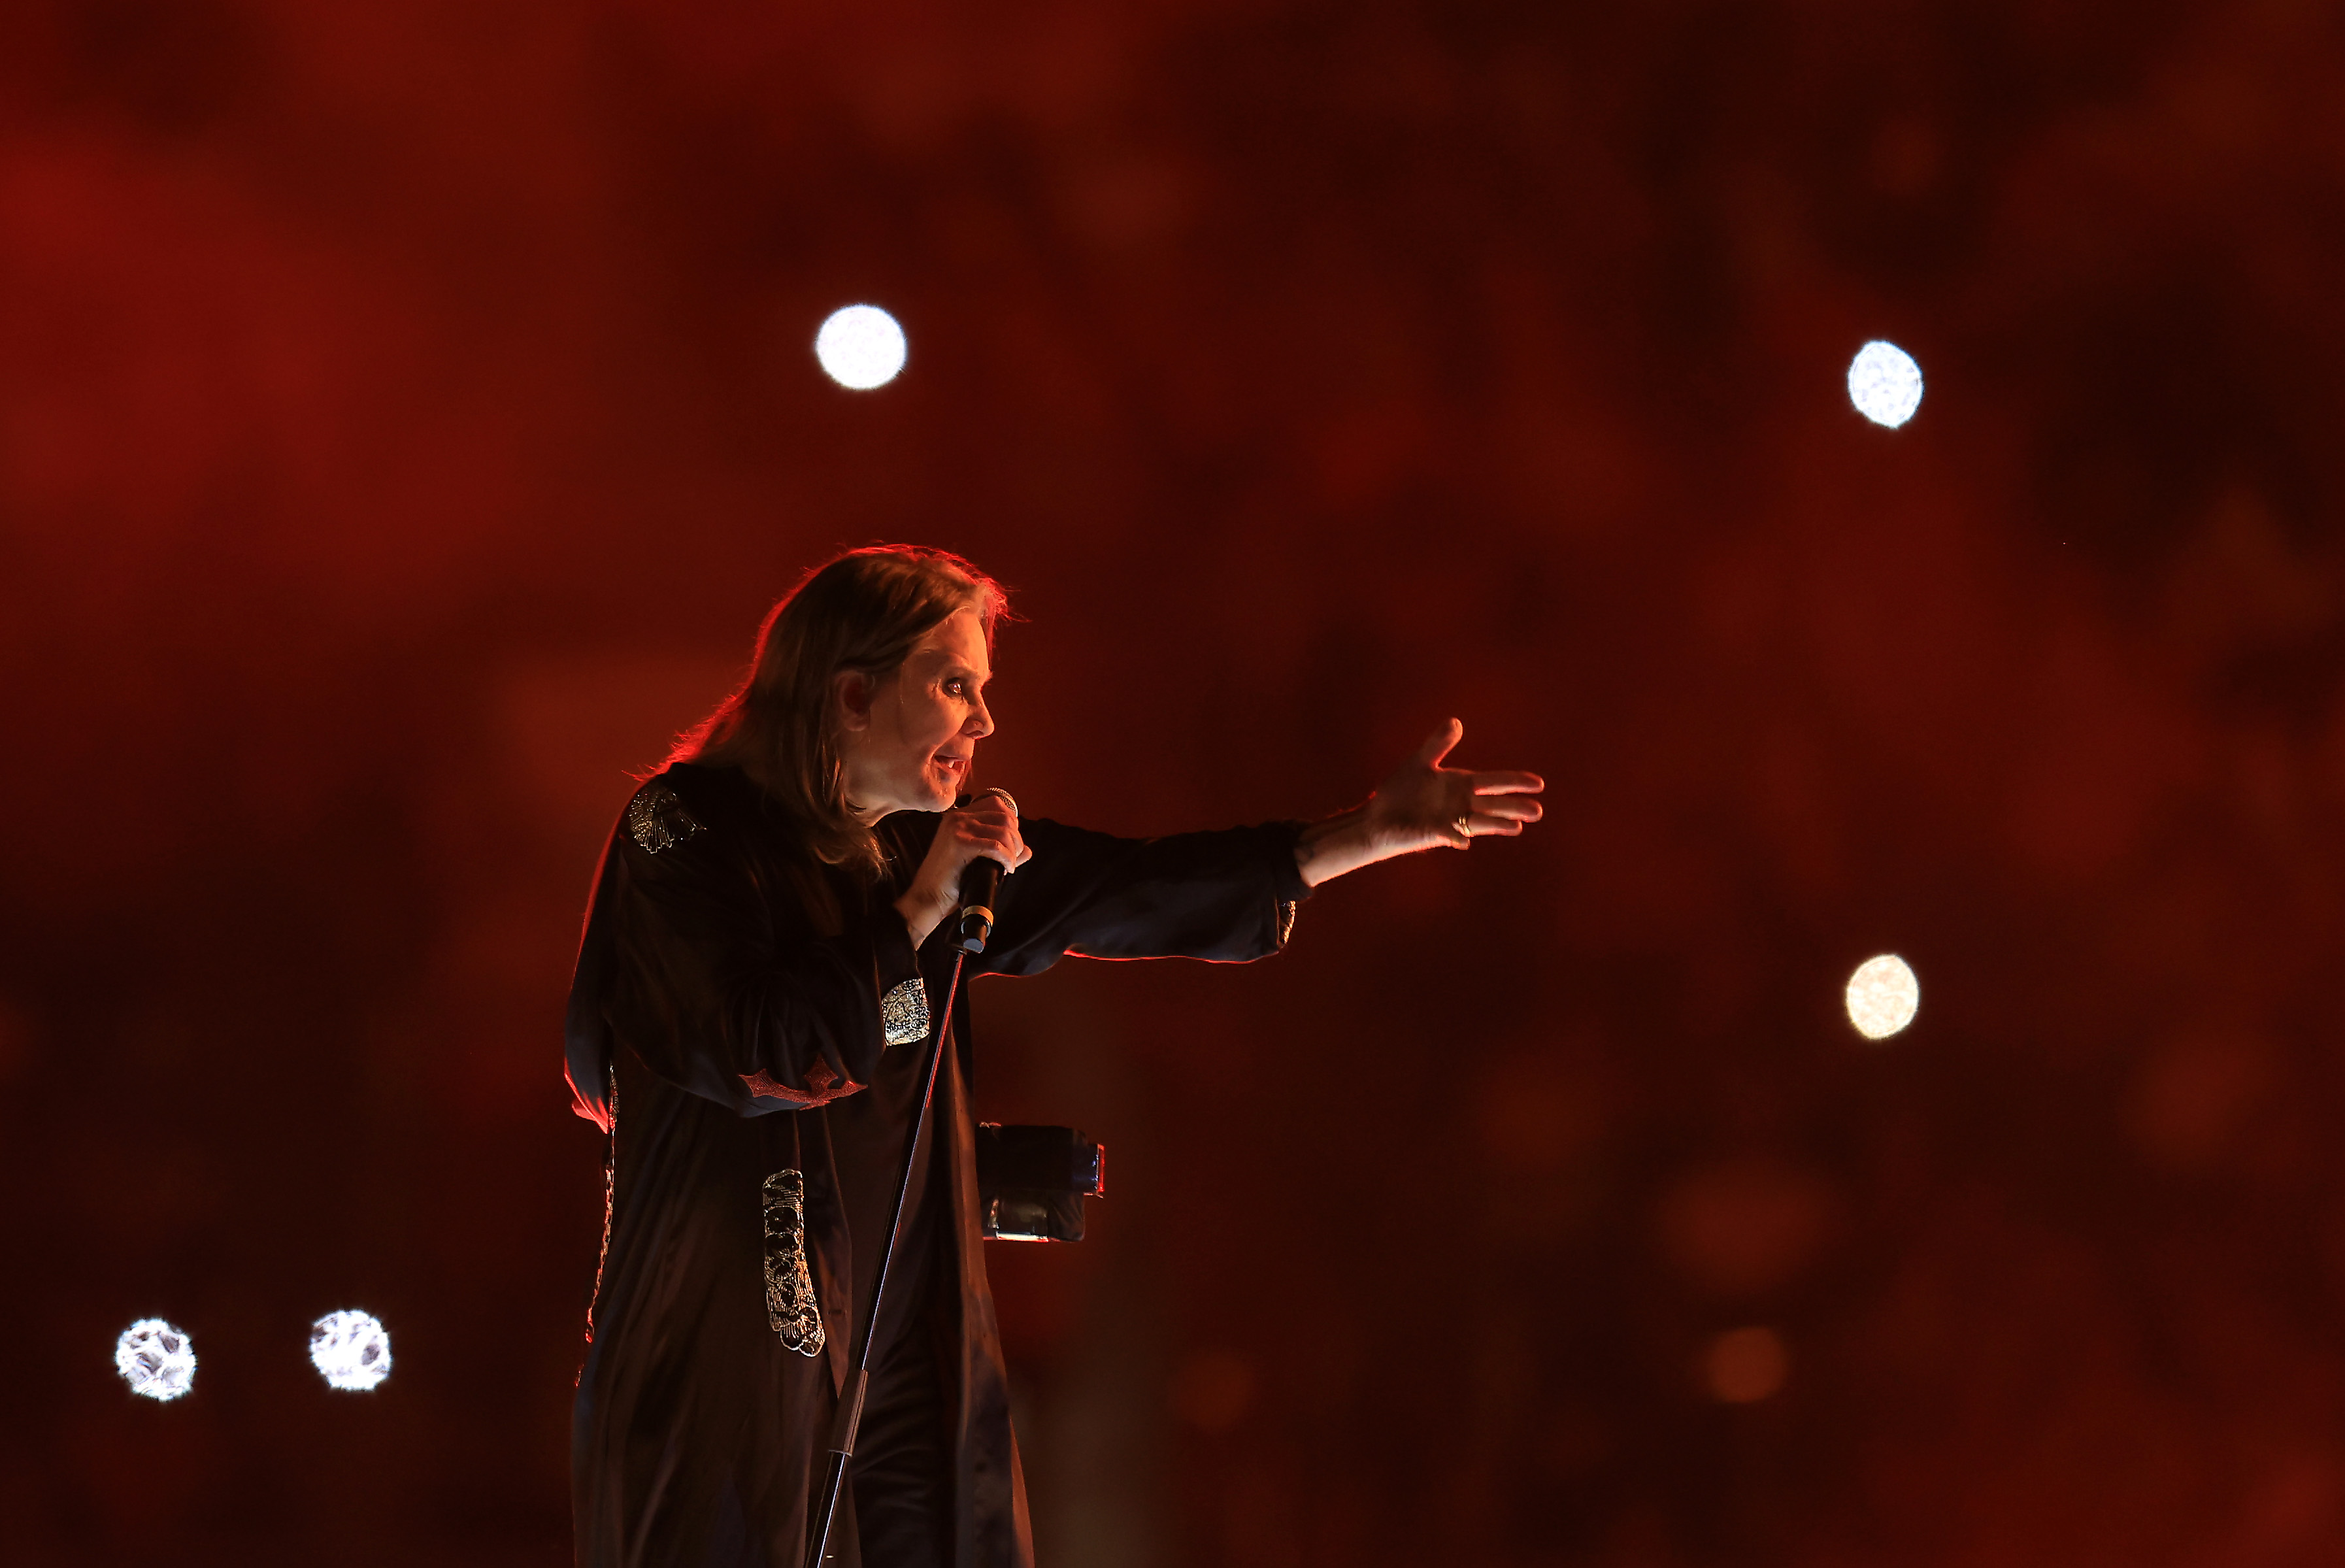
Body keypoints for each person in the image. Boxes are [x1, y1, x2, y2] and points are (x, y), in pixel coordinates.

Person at [563, 545, 1543, 1568]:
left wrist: (1366, 837)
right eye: (953, 686)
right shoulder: (680, 834)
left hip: (908, 1362)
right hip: (736, 1371)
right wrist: (923, 911)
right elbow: (761, 1048)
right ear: (851, 694)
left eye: (983, 691)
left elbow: (1126, 888)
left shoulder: (904, 848)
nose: (983, 723)